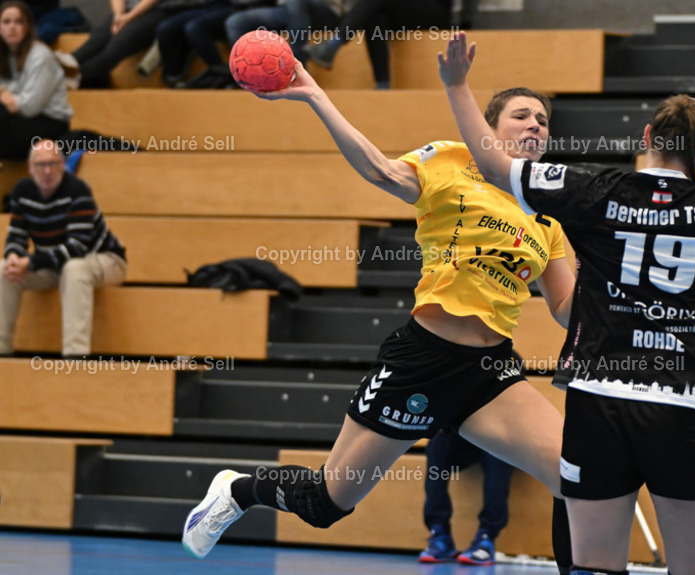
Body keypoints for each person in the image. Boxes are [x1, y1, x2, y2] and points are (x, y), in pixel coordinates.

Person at [180, 61, 576, 574]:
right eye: (522, 115)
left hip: (490, 373)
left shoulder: (548, 216)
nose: (535, 126)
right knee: (327, 504)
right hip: (423, 360)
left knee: (575, 474)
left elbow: (567, 309)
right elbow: (379, 171)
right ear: (489, 126)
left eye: (543, 121)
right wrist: (316, 96)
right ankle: (238, 489)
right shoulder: (452, 162)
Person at [438, 33, 695, 575]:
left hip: (599, 399)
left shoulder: (595, 190)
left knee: (594, 569)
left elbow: (497, 167)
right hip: (685, 401)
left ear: (645, 137)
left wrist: (457, 84)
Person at [1, 139, 127, 356]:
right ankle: (2, 350)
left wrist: (30, 262)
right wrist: (13, 255)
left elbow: (77, 247)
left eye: (54, 163)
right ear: (30, 168)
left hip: (105, 259)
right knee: (4, 270)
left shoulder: (77, 190)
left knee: (75, 269)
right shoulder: (22, 191)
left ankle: (75, 356)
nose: (47, 171)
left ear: (63, 164)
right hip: (55, 263)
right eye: (41, 165)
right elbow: (17, 235)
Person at [306, 0, 451, 90]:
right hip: (401, 9)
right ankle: (383, 85)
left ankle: (333, 44)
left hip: (433, 9)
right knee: (375, 18)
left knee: (374, 9)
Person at [419, 428, 513, 565]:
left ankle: (486, 537)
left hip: (505, 440)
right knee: (437, 443)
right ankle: (439, 533)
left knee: (498, 447)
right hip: (470, 436)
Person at [0, 0, 71, 160]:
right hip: (18, 119)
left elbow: (30, 106)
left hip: (50, 125)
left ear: (28, 27)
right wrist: (4, 95)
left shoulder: (40, 56)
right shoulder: (4, 55)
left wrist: (7, 99)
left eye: (19, 22)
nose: (12, 27)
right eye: (6, 22)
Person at [60, 0, 176, 88]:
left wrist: (129, 17)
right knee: (98, 38)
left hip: (161, 10)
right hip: (127, 10)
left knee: (117, 46)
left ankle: (72, 78)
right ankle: (66, 66)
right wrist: (118, 15)